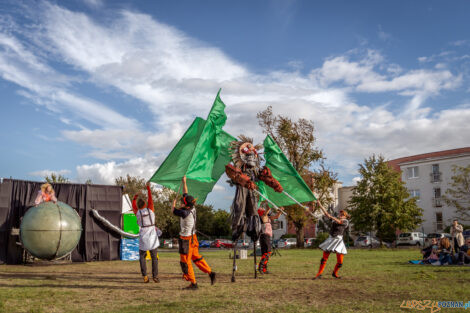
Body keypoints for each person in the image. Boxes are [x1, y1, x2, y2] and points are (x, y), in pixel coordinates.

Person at [172, 176, 216, 290]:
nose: (181, 203)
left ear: (186, 205)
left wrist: (173, 204)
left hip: (186, 240)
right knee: (196, 258)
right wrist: (184, 182)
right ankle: (210, 272)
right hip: (193, 238)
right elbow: (185, 193)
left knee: (186, 262)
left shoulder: (184, 213)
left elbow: (173, 210)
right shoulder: (192, 207)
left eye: (182, 202)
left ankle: (193, 283)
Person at [313, 200, 350, 279]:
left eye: (342, 214)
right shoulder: (335, 220)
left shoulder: (346, 221)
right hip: (331, 239)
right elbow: (326, 214)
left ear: (345, 216)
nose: (341, 214)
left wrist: (331, 217)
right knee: (324, 259)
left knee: (340, 262)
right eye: (340, 213)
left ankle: (335, 273)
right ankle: (319, 274)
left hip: (339, 241)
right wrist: (320, 204)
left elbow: (339, 221)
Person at [132, 182, 160, 283]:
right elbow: (151, 199)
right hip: (152, 235)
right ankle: (155, 276)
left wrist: (135, 197)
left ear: (139, 206)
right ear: (145, 204)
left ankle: (145, 276)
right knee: (154, 258)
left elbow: (133, 206)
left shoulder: (137, 212)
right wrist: (148, 188)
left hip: (143, 235)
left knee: (142, 257)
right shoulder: (151, 209)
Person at [257, 201, 282, 274]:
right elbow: (268, 209)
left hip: (266, 236)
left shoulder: (267, 217)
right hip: (264, 236)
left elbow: (277, 216)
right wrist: (268, 202)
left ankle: (264, 269)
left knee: (265, 253)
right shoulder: (263, 216)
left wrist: (280, 211)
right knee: (268, 252)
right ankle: (260, 267)